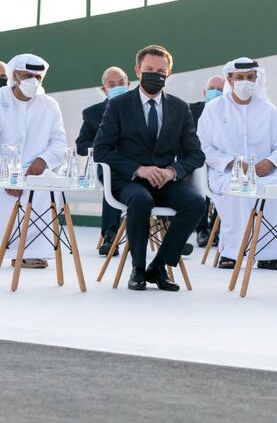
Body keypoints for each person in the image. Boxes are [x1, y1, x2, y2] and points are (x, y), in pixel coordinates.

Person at [94, 45, 206, 291]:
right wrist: (138, 169)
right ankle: (137, 269)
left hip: (165, 181)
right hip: (129, 181)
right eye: (149, 70)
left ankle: (158, 266)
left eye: (161, 71)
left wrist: (172, 171)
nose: (155, 75)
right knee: (141, 200)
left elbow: (196, 154)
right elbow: (101, 149)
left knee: (196, 202)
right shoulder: (118, 105)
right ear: (137, 70)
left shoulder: (180, 107)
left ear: (169, 73)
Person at [197, 57, 277, 271]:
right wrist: (232, 163)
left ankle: (270, 254)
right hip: (227, 173)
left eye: (250, 77)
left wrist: (270, 162)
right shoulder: (213, 109)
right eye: (240, 78)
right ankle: (232, 253)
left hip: (265, 173)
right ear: (229, 79)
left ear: (256, 78)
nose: (245, 82)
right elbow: (203, 148)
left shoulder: (268, 110)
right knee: (239, 191)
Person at [0, 54, 66, 269]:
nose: (33, 81)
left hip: (35, 172)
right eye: (28, 75)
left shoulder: (49, 105)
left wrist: (42, 160)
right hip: (3, 170)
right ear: (15, 75)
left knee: (45, 191)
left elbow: (59, 142)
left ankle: (31, 252)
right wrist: (7, 174)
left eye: (38, 77)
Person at [75, 66, 130, 256]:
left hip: (140, 164)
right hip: (109, 166)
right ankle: (110, 236)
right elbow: (81, 145)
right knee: (111, 176)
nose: (117, 87)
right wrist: (102, 148)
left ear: (129, 85)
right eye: (111, 84)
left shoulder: (143, 109)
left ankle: (169, 238)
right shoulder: (92, 114)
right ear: (104, 89)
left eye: (121, 83)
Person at [188, 75, 225, 250]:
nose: (215, 93)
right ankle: (202, 230)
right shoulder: (191, 111)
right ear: (204, 92)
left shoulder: (230, 113)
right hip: (196, 162)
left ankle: (216, 229)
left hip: (220, 163)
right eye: (212, 89)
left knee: (227, 182)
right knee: (198, 180)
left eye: (220, 89)